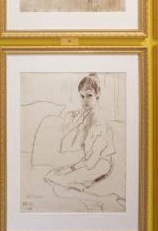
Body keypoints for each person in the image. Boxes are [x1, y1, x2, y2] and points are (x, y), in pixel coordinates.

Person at [43, 73, 123, 211]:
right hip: (89, 161)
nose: (85, 100)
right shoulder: (85, 114)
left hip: (100, 164)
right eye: (82, 96)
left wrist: (71, 168)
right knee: (53, 179)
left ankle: (106, 199)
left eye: (89, 95)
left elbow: (93, 159)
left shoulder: (100, 121)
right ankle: (101, 198)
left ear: (97, 95)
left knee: (57, 181)